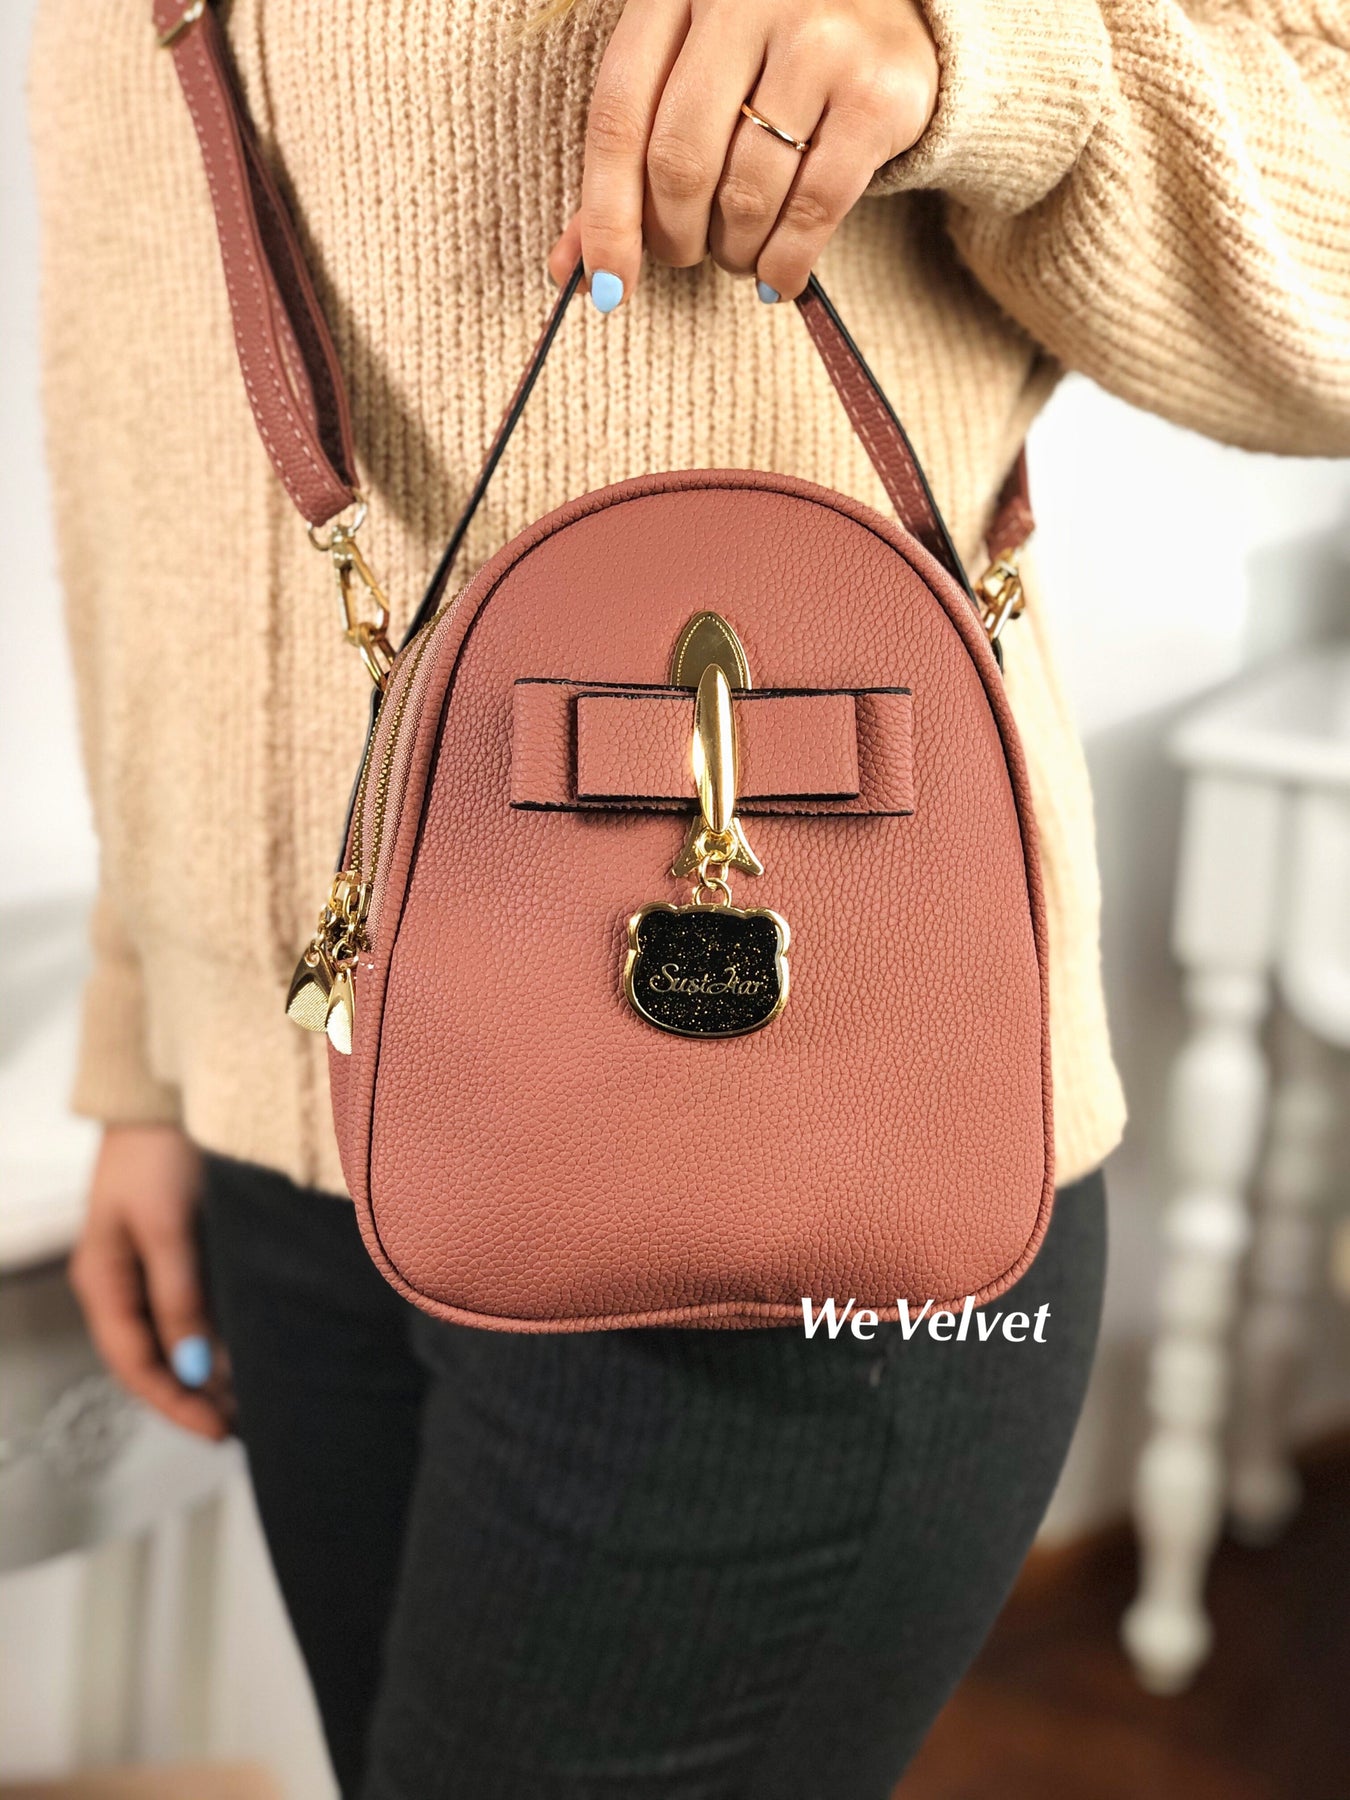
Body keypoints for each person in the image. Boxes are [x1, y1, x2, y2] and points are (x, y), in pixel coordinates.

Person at [30, 0, 1348, 1793]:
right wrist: (153, 1043)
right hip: (293, 1136)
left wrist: (981, 51)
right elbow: (159, 455)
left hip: (821, 1194)